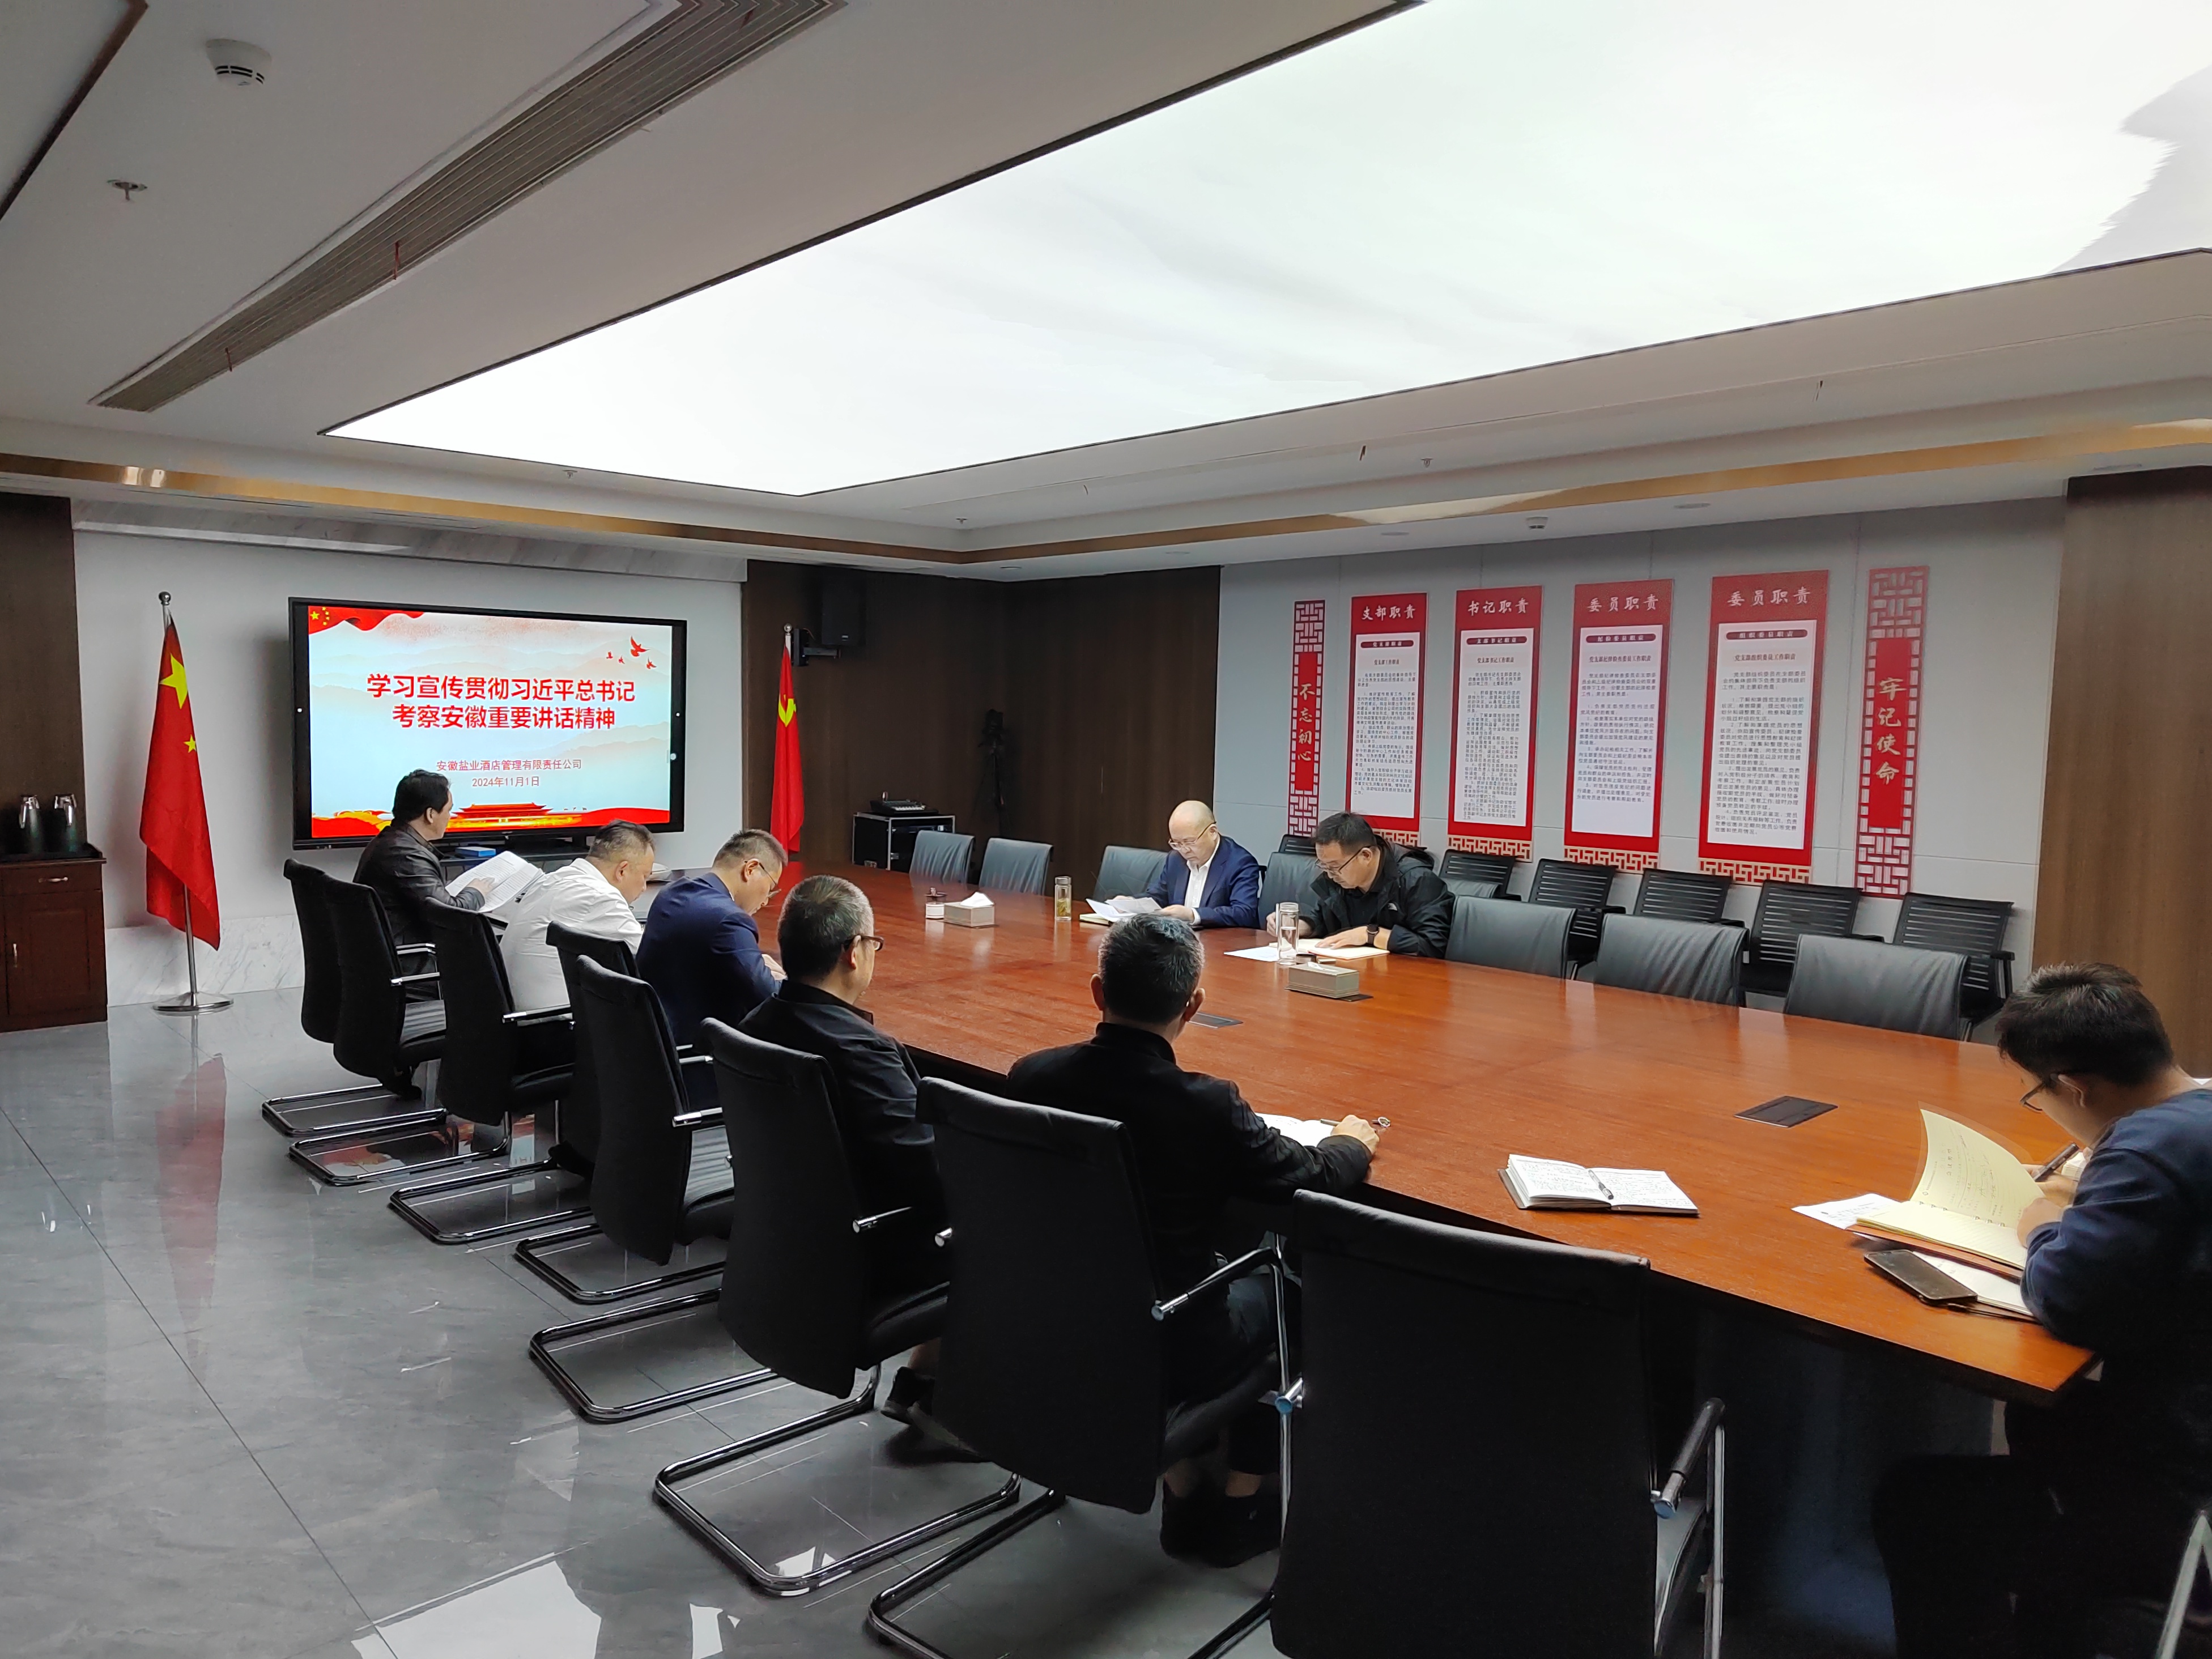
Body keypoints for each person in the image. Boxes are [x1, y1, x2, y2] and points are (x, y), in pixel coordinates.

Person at [1007, 913, 1379, 1567]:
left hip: (1054, 1316)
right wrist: (1351, 1141)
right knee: (1292, 1286)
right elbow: (1313, 1177)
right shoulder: (1205, 1105)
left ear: (1097, 992)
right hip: (1172, 1340)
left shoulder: (1031, 1077)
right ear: (1193, 1005)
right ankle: (1240, 1504)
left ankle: (1182, 1481)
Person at [1874, 963, 2212, 1659]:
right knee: (2040, 1417)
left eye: (2036, 1095)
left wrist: (2041, 1224)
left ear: (2073, 1086)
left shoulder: (2145, 1147)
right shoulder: (2195, 1113)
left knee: (1916, 1499)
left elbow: (2067, 1297)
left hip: (2185, 1490)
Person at [738, 874, 954, 1447]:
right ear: (854, 952)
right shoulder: (860, 1051)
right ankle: (969, 1407)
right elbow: (931, 1175)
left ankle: (922, 1383)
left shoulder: (758, 1026)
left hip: (786, 1240)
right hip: (861, 1255)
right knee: (1010, 1212)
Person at [636, 829, 785, 1048]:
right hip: (701, 1053)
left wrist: (755, 966)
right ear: (751, 869)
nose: (765, 902)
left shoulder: (670, 894)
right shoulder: (731, 920)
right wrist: (783, 979)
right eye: (770, 888)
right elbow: (772, 1000)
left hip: (652, 1041)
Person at [496, 821, 653, 1011]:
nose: (644, 888)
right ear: (622, 871)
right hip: (553, 1022)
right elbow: (652, 953)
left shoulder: (550, 880)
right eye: (645, 876)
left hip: (511, 1014)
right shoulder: (599, 896)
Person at [1265, 810, 1453, 957]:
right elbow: (1323, 919)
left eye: (1335, 867)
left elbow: (1433, 945)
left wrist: (1371, 935)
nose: (1330, 875)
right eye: (1324, 866)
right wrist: (1299, 926)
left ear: (1366, 856)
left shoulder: (1416, 880)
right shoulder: (1338, 878)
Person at [353, 769, 495, 945]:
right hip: (408, 954)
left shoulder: (389, 840)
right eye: (449, 810)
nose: (449, 817)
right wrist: (476, 892)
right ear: (431, 815)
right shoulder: (407, 855)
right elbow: (452, 915)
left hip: (387, 947)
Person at [1134, 800, 1261, 930]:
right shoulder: (1175, 859)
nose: (1184, 850)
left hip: (1219, 939)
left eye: (1189, 842)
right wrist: (1131, 903)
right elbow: (1158, 896)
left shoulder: (1240, 863)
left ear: (1212, 832)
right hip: (1179, 938)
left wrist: (1193, 915)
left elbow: (1244, 913)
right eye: (1177, 843)